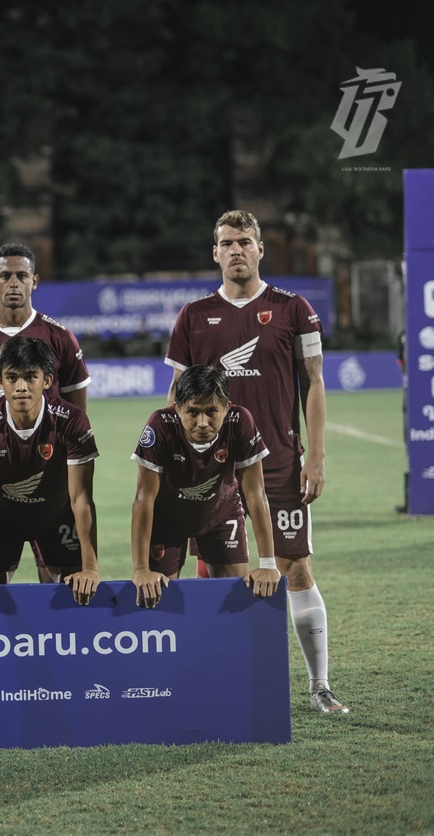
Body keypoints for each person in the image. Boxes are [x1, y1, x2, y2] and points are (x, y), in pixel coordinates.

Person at [166, 209, 347, 714]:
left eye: (245, 241)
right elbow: (175, 398)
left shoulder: (293, 309)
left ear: (260, 249)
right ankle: (221, 687)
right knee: (220, 575)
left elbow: (314, 383)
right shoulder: (194, 315)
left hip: (280, 463)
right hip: (212, 471)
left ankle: (319, 686)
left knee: (295, 570)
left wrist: (317, 457)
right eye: (227, 243)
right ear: (216, 253)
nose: (237, 250)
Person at [0, 243, 91, 583]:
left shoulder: (60, 338)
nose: (13, 283)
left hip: (51, 477)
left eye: (21, 276)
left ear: (35, 281)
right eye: (5, 276)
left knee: (59, 576)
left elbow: (77, 410)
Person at [0, 336, 101, 605]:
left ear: (47, 381)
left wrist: (91, 568)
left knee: (78, 597)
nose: (21, 387)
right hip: (0, 518)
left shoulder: (72, 420)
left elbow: (81, 498)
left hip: (57, 514)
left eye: (30, 377)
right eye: (12, 378)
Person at [130, 365, 280, 608]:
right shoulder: (160, 426)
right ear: (177, 408)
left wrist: (268, 563)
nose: (202, 422)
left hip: (221, 512)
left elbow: (255, 493)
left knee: (234, 597)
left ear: (227, 407)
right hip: (166, 518)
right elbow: (143, 499)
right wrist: (140, 569)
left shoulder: (240, 421)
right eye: (192, 412)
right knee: (157, 600)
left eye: (212, 411)